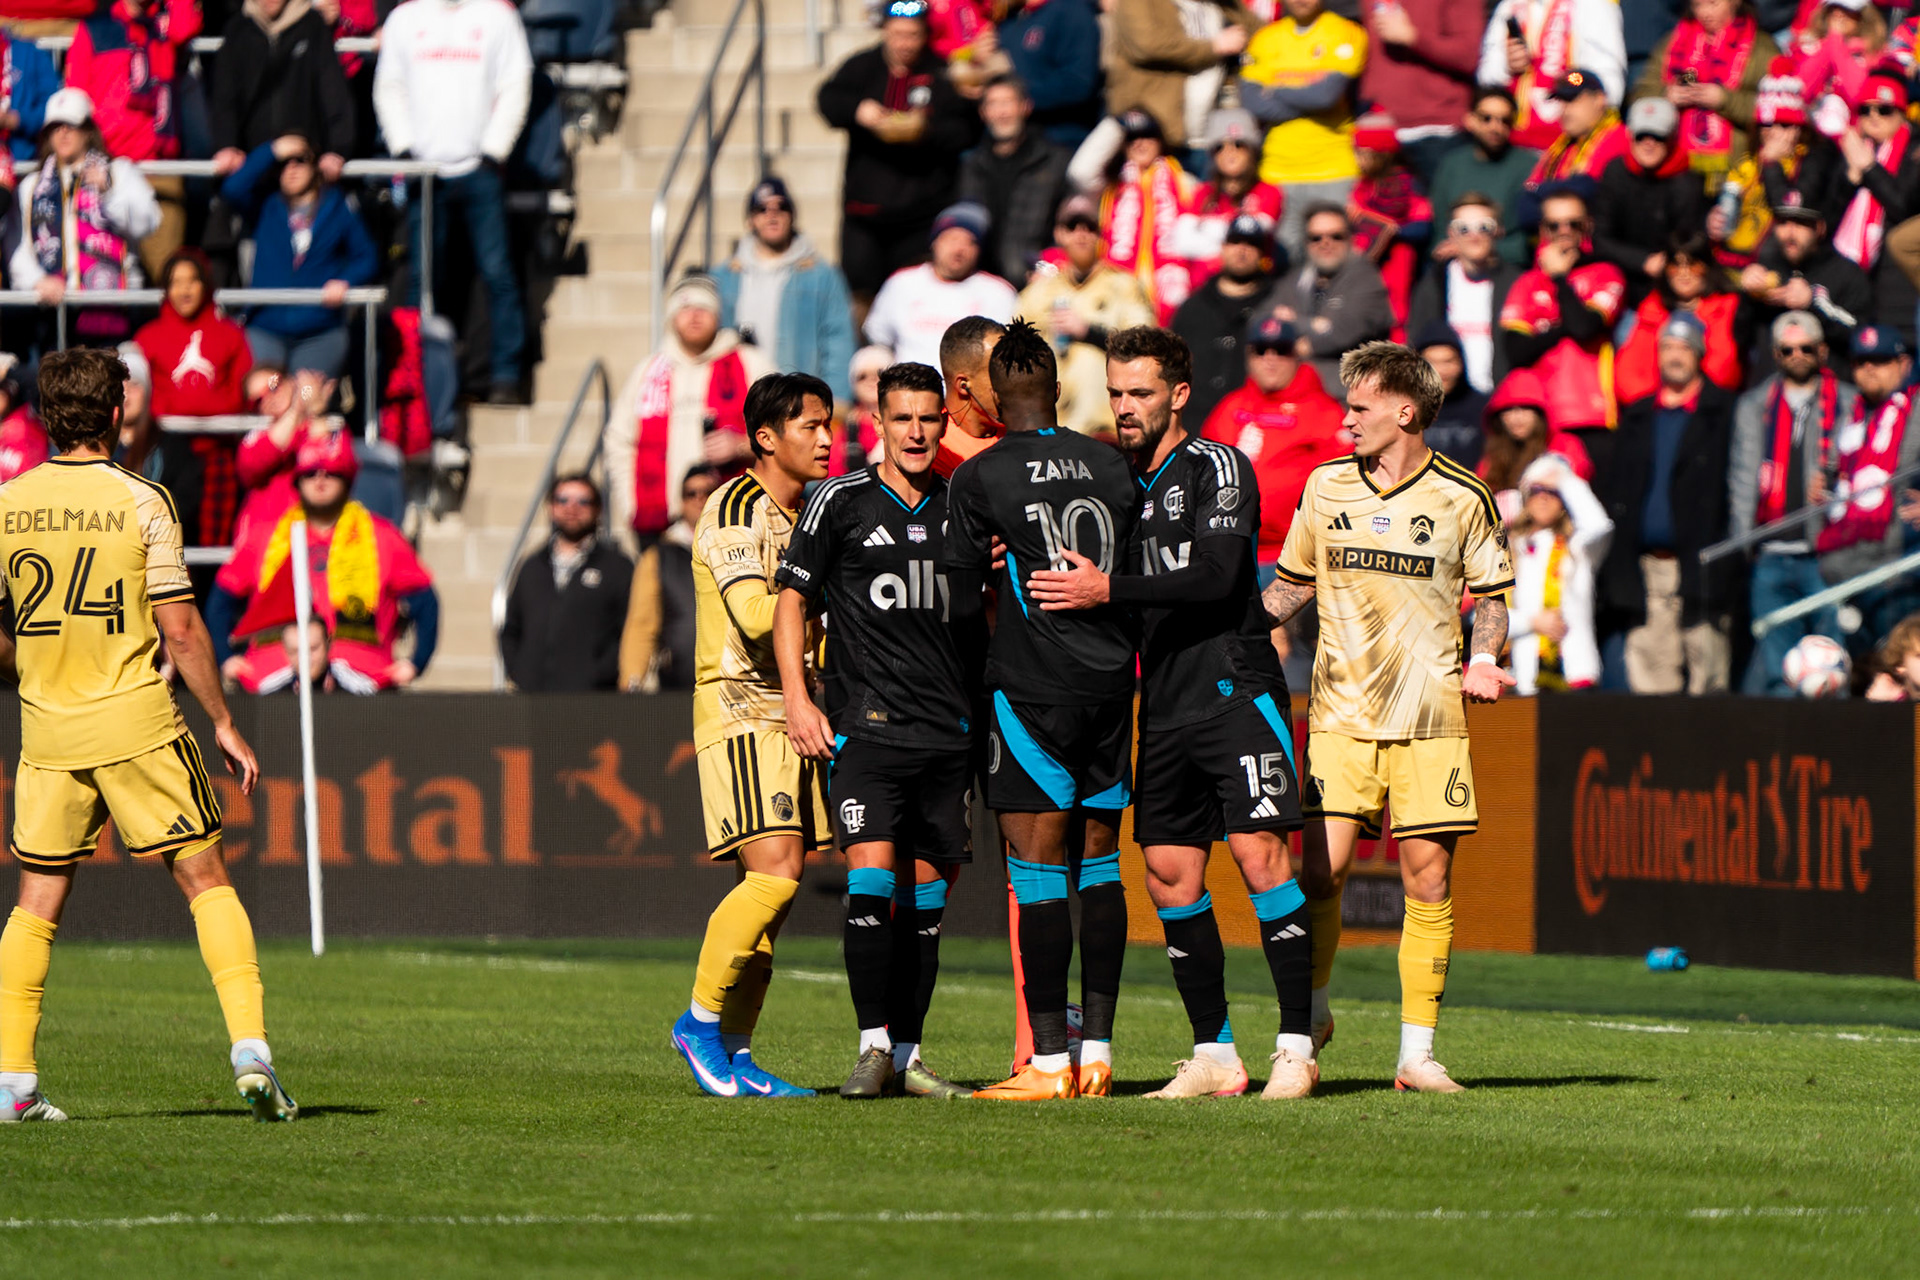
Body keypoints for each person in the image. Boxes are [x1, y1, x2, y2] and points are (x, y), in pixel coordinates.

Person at [1022, 326, 1314, 1099]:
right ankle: (1215, 1052)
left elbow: (1220, 578)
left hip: (1234, 684)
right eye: (1116, 393)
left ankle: (1294, 1047)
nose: (1124, 407)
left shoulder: (1218, 466)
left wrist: (1108, 589)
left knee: (1260, 855)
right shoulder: (1110, 480)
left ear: (1179, 395)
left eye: (1140, 393)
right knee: (1168, 870)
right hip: (1166, 701)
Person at [0, 346, 288, 1124]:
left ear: (44, 416)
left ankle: (14, 1085)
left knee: (35, 903)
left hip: (49, 730)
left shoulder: (8, 502)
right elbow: (182, 629)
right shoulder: (143, 500)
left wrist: (29, 665)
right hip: (134, 722)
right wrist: (224, 722)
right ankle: (250, 1052)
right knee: (205, 881)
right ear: (118, 412)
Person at [1261, 341, 1516, 1093]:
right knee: (1320, 871)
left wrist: (1484, 656)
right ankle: (1309, 1022)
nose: (1346, 421)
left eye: (1360, 407)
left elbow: (1491, 597)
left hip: (1431, 716)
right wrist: (1228, 632)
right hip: (1340, 712)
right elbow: (1289, 586)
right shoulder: (1326, 486)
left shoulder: (1465, 496)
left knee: (1427, 881)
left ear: (1405, 412)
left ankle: (1416, 1055)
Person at [773, 361, 976, 1100]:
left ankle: (908, 1058)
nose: (917, 432)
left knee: (926, 907)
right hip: (866, 731)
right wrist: (800, 698)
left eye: (930, 418)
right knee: (870, 885)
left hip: (949, 734)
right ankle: (870, 1045)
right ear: (879, 425)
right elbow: (791, 601)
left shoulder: (964, 504)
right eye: (903, 419)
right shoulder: (838, 499)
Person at [946, 320, 1138, 1100]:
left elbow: (959, 598)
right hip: (1111, 686)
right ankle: (1098, 1054)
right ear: (1056, 388)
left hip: (1030, 689)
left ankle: (1048, 1063)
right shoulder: (1114, 464)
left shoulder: (983, 476)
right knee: (1099, 866)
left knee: (1036, 875)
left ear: (994, 394)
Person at [668, 372, 835, 1099]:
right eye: (812, 426)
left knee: (777, 888)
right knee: (776, 874)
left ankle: (735, 1055)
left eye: (830, 424)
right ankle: (699, 1025)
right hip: (742, 708)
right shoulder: (736, 507)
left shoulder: (810, 513)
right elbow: (761, 617)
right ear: (766, 439)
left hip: (793, 707)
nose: (829, 439)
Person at [373, 0, 534, 404]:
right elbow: (389, 86)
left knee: (497, 274)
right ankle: (419, 382)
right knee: (422, 280)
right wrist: (404, 146)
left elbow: (516, 82)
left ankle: (504, 376)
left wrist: (495, 149)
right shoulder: (406, 18)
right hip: (423, 173)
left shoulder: (499, 15)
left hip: (480, 169)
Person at [208, 429, 438, 695]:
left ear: (348, 478)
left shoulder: (382, 536)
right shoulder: (264, 535)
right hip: (273, 681)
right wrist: (225, 658)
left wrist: (416, 662)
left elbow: (426, 602)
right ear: (298, 481)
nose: (320, 480)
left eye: (332, 472)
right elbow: (220, 602)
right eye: (310, 473)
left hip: (362, 683)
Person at [1599, 311, 1740, 694]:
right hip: (1647, 566)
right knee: (1649, 682)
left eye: (1684, 347)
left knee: (1708, 677)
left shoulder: (1724, 412)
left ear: (1698, 354)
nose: (1675, 356)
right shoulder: (1639, 416)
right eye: (1668, 347)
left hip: (1703, 563)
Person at [1728, 309, 1858, 695]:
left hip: (1825, 554)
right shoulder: (1754, 405)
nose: (1796, 355)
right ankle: (1784, 752)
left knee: (1832, 664)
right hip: (1771, 552)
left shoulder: (1847, 401)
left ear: (1822, 351)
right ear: (1775, 354)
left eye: (1805, 348)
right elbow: (1740, 478)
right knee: (1778, 667)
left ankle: (1834, 748)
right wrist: (1744, 541)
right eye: (1787, 350)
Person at [816, 0, 980, 302]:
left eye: (913, 35)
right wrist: (857, 110)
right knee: (860, 294)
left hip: (920, 215)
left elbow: (966, 130)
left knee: (912, 296)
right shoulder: (863, 67)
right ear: (885, 32)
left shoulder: (941, 72)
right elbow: (827, 99)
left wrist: (925, 131)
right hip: (865, 214)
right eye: (898, 34)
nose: (905, 43)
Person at [605, 274, 773, 544]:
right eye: (684, 308)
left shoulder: (750, 363)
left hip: (736, 520)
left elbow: (785, 434)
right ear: (671, 317)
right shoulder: (649, 372)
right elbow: (619, 440)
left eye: (704, 307)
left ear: (718, 315)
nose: (694, 315)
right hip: (662, 525)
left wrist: (742, 445)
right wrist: (631, 506)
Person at [218, 133, 380, 378]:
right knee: (269, 396)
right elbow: (232, 188)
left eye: (300, 160)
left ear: (315, 166)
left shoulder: (338, 207)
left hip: (319, 333)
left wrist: (346, 280)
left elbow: (367, 257)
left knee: (306, 398)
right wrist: (271, 150)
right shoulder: (266, 206)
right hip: (265, 328)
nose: (291, 168)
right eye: (284, 163)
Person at [9, 88, 161, 344]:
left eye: (71, 125)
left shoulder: (119, 171)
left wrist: (109, 193)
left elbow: (149, 223)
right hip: (51, 308)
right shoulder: (31, 186)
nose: (63, 133)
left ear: (88, 130)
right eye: (55, 127)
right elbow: (15, 244)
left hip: (113, 308)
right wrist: (37, 281)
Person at [1200, 312, 1348, 575]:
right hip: (1230, 552)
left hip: (1293, 557)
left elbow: (1344, 482)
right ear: (1248, 356)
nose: (1270, 359)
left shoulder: (1323, 411)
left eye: (1281, 350)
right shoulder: (1230, 407)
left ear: (1296, 355)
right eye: (1261, 351)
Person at [64, 0, 199, 278]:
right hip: (107, 166)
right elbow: (75, 95)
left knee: (166, 275)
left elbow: (186, 28)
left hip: (158, 169)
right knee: (106, 275)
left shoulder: (166, 24)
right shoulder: (95, 27)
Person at [135, 249, 254, 553]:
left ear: (205, 285)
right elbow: (143, 397)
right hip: (166, 453)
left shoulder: (230, 335)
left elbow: (238, 397)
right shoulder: (148, 337)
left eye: (192, 281)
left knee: (216, 548)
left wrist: (180, 408)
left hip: (218, 455)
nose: (184, 290)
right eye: (175, 282)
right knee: (166, 543)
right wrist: (199, 409)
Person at [1499, 184, 1626, 462]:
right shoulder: (1526, 283)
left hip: (1593, 416)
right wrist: (1562, 327)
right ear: (1543, 229)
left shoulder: (1606, 273)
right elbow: (1517, 351)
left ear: (1587, 225)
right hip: (1540, 420)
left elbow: (1584, 328)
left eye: (1573, 223)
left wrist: (1559, 278)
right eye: (1555, 225)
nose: (1564, 231)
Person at [1815, 324, 1920, 652]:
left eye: (1881, 360)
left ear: (1903, 364)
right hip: (1843, 566)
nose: (1869, 369)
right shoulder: (1849, 412)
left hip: (1897, 570)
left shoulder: (1916, 410)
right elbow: (1835, 475)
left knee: (1895, 670)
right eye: (1861, 362)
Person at [1238, 0, 1370, 260]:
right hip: (1277, 174)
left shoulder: (1346, 31)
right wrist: (1308, 99)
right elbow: (1252, 103)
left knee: (1336, 264)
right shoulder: (1265, 38)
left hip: (1334, 172)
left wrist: (1273, 91)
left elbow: (1326, 96)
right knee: (1283, 264)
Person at [712, 178, 859, 410]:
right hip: (739, 399)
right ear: (750, 220)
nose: (772, 215)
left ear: (792, 215)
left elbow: (838, 340)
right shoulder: (725, 276)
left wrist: (837, 400)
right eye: (761, 209)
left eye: (781, 207)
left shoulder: (821, 275)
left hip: (797, 401)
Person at [1015, 194, 1155, 437]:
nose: (1081, 233)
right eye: (1072, 226)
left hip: (1107, 431)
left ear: (1100, 234)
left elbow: (1148, 349)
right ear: (1059, 234)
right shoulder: (1037, 293)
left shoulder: (1125, 286)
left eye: (1089, 227)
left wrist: (1090, 332)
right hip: (1052, 428)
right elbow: (1012, 355)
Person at [500, 474, 634, 693]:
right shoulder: (532, 565)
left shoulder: (617, 567)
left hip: (591, 700)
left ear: (597, 509)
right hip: (533, 699)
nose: (572, 508)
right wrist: (518, 671)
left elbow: (629, 631)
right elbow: (511, 628)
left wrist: (600, 674)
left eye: (583, 501)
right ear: (551, 507)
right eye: (562, 500)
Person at [1070, 109, 1201, 324]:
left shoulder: (1185, 183)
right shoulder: (1110, 184)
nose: (1140, 144)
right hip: (1119, 297)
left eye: (1147, 136)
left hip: (1172, 298)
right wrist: (1115, 124)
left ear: (1160, 140)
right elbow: (1080, 172)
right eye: (1131, 139)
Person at [1635, 0, 1780, 183]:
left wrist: (1724, 99)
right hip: (1676, 170)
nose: (1705, 13)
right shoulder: (1672, 42)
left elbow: (1776, 111)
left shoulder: (1762, 49)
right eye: (1697, 5)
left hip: (1736, 171)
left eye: (1713, 3)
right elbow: (1640, 96)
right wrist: (1666, 96)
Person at [863, 202, 1018, 371]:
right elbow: (878, 339)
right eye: (952, 239)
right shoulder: (902, 283)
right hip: (908, 389)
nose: (959, 249)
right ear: (935, 242)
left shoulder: (999, 293)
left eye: (970, 242)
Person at [1504, 452, 1613, 693]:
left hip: (1574, 676)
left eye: (1553, 492)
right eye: (1536, 491)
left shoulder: (1578, 549)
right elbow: (1483, 620)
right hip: (1523, 680)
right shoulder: (1509, 549)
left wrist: (1566, 480)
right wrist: (1531, 622)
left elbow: (1600, 527)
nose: (1543, 498)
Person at [208, 0, 355, 171]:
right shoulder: (238, 29)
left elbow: (333, 93)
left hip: (305, 163)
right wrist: (226, 145)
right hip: (251, 165)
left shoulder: (312, 26)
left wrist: (337, 149)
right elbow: (225, 97)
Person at [1738, 191, 1873, 378]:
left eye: (1801, 224)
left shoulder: (1846, 273)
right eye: (1783, 223)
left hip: (1828, 392)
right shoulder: (1765, 266)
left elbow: (1862, 335)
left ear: (1819, 228)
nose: (1789, 234)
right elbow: (1740, 338)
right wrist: (1747, 297)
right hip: (1771, 392)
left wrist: (1813, 304)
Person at [1832, 61, 1920, 348]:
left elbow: (1904, 208)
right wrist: (1851, 177)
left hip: (1901, 286)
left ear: (1901, 111)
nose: (1873, 117)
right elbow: (1830, 214)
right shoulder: (1855, 148)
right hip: (1859, 282)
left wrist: (1870, 170)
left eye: (1883, 110)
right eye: (1865, 110)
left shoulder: (1914, 149)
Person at [1267, 203, 1396, 392]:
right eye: (1315, 237)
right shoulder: (1294, 279)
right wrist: (1316, 325)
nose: (1325, 243)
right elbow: (1264, 321)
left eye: (1336, 236)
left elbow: (1341, 332)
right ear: (1306, 243)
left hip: (1346, 395)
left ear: (1351, 239)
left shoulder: (1366, 279)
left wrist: (1294, 324)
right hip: (1294, 394)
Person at [957, 75, 1071, 289]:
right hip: (980, 283)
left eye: (1008, 102)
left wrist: (1049, 269)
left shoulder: (1055, 161)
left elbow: (1069, 227)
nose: (1001, 113)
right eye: (993, 104)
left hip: (1034, 282)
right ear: (983, 113)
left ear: (1025, 107)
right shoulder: (971, 165)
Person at [1592, 98, 1708, 308]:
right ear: (1630, 136)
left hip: (1667, 291)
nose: (1649, 142)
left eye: (1658, 136)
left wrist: (1665, 263)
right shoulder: (1615, 172)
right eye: (1641, 135)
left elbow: (1688, 245)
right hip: (1618, 281)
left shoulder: (1687, 184)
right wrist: (1643, 261)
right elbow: (1600, 239)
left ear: (1672, 138)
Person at [1355, 0, 1481, 186]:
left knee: (1446, 211)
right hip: (1377, 130)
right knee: (1375, 214)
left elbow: (1469, 56)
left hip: (1436, 132)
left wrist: (1413, 37)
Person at [1613, 230, 1748, 404]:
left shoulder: (1727, 306)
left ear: (1707, 266)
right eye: (1675, 265)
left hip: (1709, 409)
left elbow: (1724, 370)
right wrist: (1659, 404)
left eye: (1693, 264)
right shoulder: (1652, 308)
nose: (1683, 273)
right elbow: (1629, 374)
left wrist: (1689, 401)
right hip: (1657, 409)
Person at [1173, 214, 1280, 429]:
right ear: (1222, 247)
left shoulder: (1277, 306)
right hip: (1194, 424)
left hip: (1252, 425)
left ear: (1262, 253)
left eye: (1251, 244)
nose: (1242, 250)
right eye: (1235, 242)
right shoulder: (1192, 307)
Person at [1408, 193, 1521, 395]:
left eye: (1484, 226)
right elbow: (1416, 341)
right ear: (1451, 233)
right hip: (1448, 399)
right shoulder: (1434, 282)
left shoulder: (1516, 283)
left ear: (1498, 231)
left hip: (1500, 397)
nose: (1474, 235)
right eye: (1463, 228)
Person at [1105, 0, 1256, 151]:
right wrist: (1214, 47)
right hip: (1158, 129)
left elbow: (1261, 31)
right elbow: (1147, 45)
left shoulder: (1214, 4)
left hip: (1212, 133)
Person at [620, 464, 718, 692]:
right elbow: (642, 623)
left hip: (733, 679)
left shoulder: (738, 545)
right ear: (681, 501)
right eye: (691, 493)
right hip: (680, 679)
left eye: (707, 493)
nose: (699, 499)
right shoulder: (658, 556)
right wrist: (632, 680)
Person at [1480, 0, 1626, 153]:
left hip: (1572, 146)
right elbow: (1486, 78)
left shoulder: (1592, 5)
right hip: (1514, 145)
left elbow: (1607, 85)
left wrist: (1571, 81)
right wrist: (1507, 66)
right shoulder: (1510, 6)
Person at [1427, 86, 1539, 269]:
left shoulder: (1528, 167)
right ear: (1470, 120)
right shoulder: (1452, 164)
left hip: (1507, 268)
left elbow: (1527, 242)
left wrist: (1477, 250)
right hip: (1453, 267)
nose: (1495, 127)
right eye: (1486, 118)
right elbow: (1439, 229)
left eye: (1504, 120)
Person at [1175, 108, 1285, 286]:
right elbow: (1182, 243)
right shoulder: (1202, 192)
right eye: (1220, 146)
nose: (1229, 152)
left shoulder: (1269, 191)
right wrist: (1229, 236)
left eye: (1239, 144)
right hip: (1203, 290)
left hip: (1250, 288)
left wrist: (1206, 232)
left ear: (1253, 151)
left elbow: (1251, 235)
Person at [1349, 115, 1434, 334]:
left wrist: (1391, 230)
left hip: (1398, 263)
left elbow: (1422, 227)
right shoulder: (1362, 184)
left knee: (1395, 317)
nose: (1357, 159)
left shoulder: (1408, 184)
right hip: (1364, 264)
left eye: (1362, 153)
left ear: (1381, 153)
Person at [1513, 69, 1628, 226]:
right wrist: (1542, 192)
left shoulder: (1617, 137)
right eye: (1560, 101)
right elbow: (1526, 201)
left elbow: (1587, 190)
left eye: (1572, 99)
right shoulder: (1561, 147)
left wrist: (1541, 192)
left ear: (1599, 99)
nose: (1564, 109)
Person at [1480, 366, 1595, 523]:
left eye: (1525, 409)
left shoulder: (1564, 446)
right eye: (1509, 410)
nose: (1516, 418)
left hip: (1558, 534)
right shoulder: (1494, 454)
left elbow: (1576, 493)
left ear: (1540, 414)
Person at [997, 0, 1104, 149]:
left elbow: (1079, 83)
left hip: (1061, 142)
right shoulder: (1010, 18)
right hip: (1015, 145)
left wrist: (1017, 97)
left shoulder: (1071, 10)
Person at [933, 314, 1005, 477]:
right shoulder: (934, 446)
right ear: (963, 385)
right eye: (1000, 372)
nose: (1012, 380)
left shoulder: (1022, 431)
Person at [1414, 321, 1490, 468]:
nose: (1441, 371)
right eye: (1432, 363)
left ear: (1461, 363)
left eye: (1448, 362)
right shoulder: (1403, 408)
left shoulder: (1484, 408)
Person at [0, 354, 47, 482]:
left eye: (2, 389)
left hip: (29, 493)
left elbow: (40, 384)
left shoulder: (28, 414)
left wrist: (9, 371)